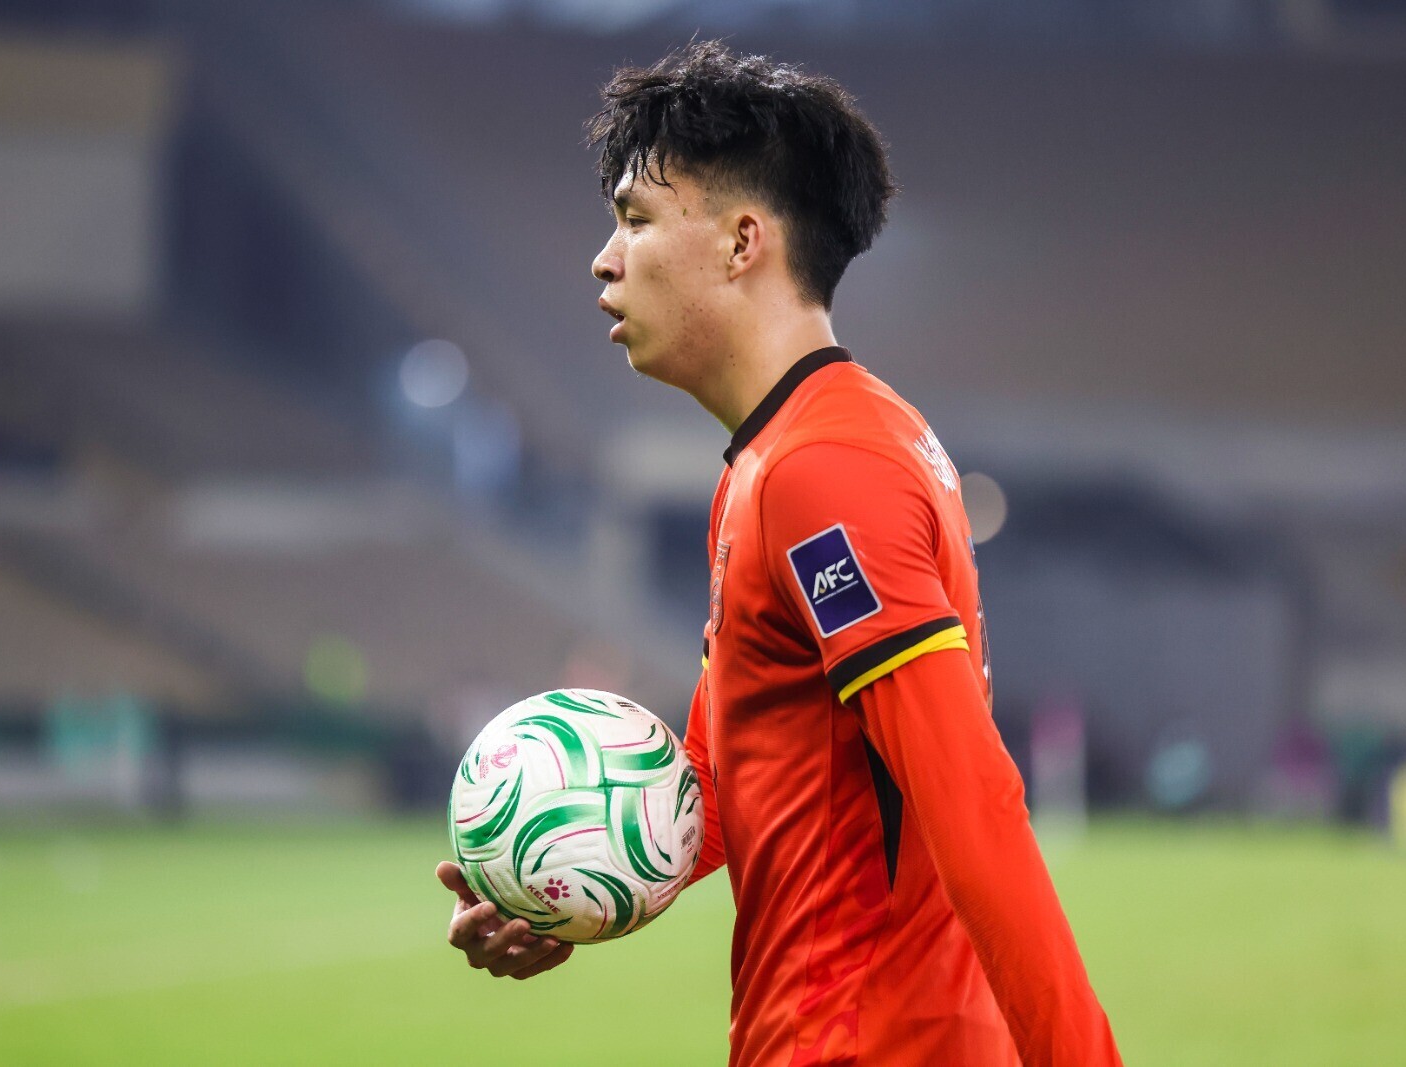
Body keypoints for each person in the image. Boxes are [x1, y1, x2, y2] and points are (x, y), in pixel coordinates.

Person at [436, 41, 1123, 1066]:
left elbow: (970, 800)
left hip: (862, 1041)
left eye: (635, 219)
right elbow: (728, 781)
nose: (605, 259)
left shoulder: (824, 469)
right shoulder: (787, 456)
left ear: (742, 242)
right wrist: (568, 875)